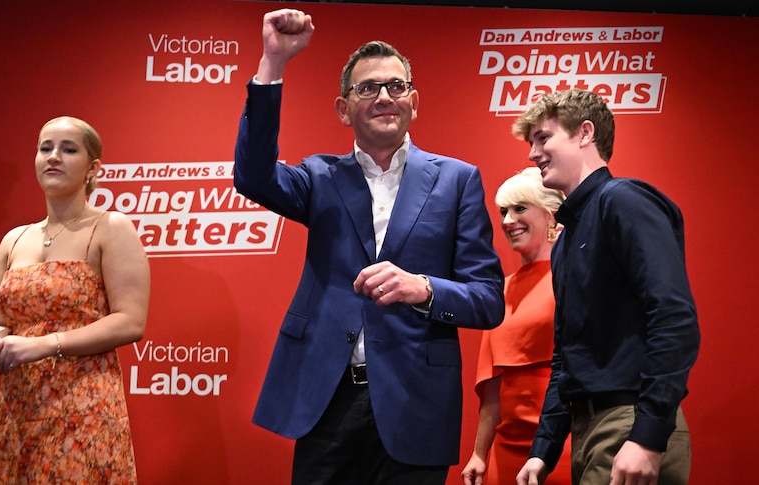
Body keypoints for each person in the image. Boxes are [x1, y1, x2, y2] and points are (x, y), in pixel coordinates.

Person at [233, 8, 505, 485]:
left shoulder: (458, 181)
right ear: (343, 108)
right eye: (368, 88)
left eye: (396, 87)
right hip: (327, 400)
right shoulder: (319, 177)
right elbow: (253, 175)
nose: (384, 97)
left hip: (414, 401)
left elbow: (487, 299)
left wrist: (422, 287)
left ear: (414, 101)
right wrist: (273, 63)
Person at [512, 90, 700, 485]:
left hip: (628, 425)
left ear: (584, 133)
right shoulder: (565, 239)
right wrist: (544, 449)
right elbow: (567, 354)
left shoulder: (624, 201)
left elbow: (673, 317)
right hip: (592, 430)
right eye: (531, 142)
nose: (532, 153)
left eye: (543, 138)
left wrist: (647, 436)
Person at [0, 116, 151, 483]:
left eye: (68, 149)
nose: (53, 157)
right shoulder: (13, 240)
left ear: (93, 168)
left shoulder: (111, 228)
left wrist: (44, 345)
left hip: (83, 406)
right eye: (46, 148)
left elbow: (130, 321)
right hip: (19, 404)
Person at [461, 167, 571, 485]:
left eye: (520, 208)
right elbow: (492, 391)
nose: (508, 221)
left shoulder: (573, 282)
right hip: (505, 452)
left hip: (561, 446)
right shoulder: (499, 291)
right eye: (504, 211)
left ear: (552, 215)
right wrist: (480, 454)